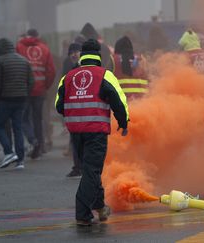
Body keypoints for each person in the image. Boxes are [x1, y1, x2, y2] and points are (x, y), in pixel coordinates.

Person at [55, 39, 129, 226]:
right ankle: (82, 213)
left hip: (75, 132)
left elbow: (58, 105)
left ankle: (100, 207)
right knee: (91, 171)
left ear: (81, 56)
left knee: (90, 170)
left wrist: (75, 113)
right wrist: (123, 121)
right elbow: (119, 101)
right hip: (96, 131)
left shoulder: (68, 76)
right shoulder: (105, 74)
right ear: (98, 55)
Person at [0, 38, 34, 169]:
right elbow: (31, 81)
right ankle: (20, 161)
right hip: (21, 99)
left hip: (5, 99)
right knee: (18, 128)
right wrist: (25, 94)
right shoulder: (24, 60)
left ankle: (9, 152)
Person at [16, 29, 56, 157]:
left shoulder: (19, 47)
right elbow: (51, 71)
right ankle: (39, 147)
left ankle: (33, 141)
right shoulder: (45, 49)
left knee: (23, 119)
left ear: (27, 35)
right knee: (38, 119)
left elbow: (16, 68)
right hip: (40, 90)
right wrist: (46, 86)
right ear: (38, 36)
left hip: (24, 89)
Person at [61, 43, 83, 179]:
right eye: (71, 52)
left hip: (83, 111)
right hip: (74, 111)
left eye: (77, 51)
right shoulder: (69, 67)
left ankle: (81, 167)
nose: (74, 54)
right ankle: (78, 167)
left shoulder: (82, 68)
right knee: (76, 140)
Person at [113, 36, 149, 100]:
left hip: (123, 102)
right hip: (143, 102)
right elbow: (149, 81)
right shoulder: (142, 59)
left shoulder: (113, 60)